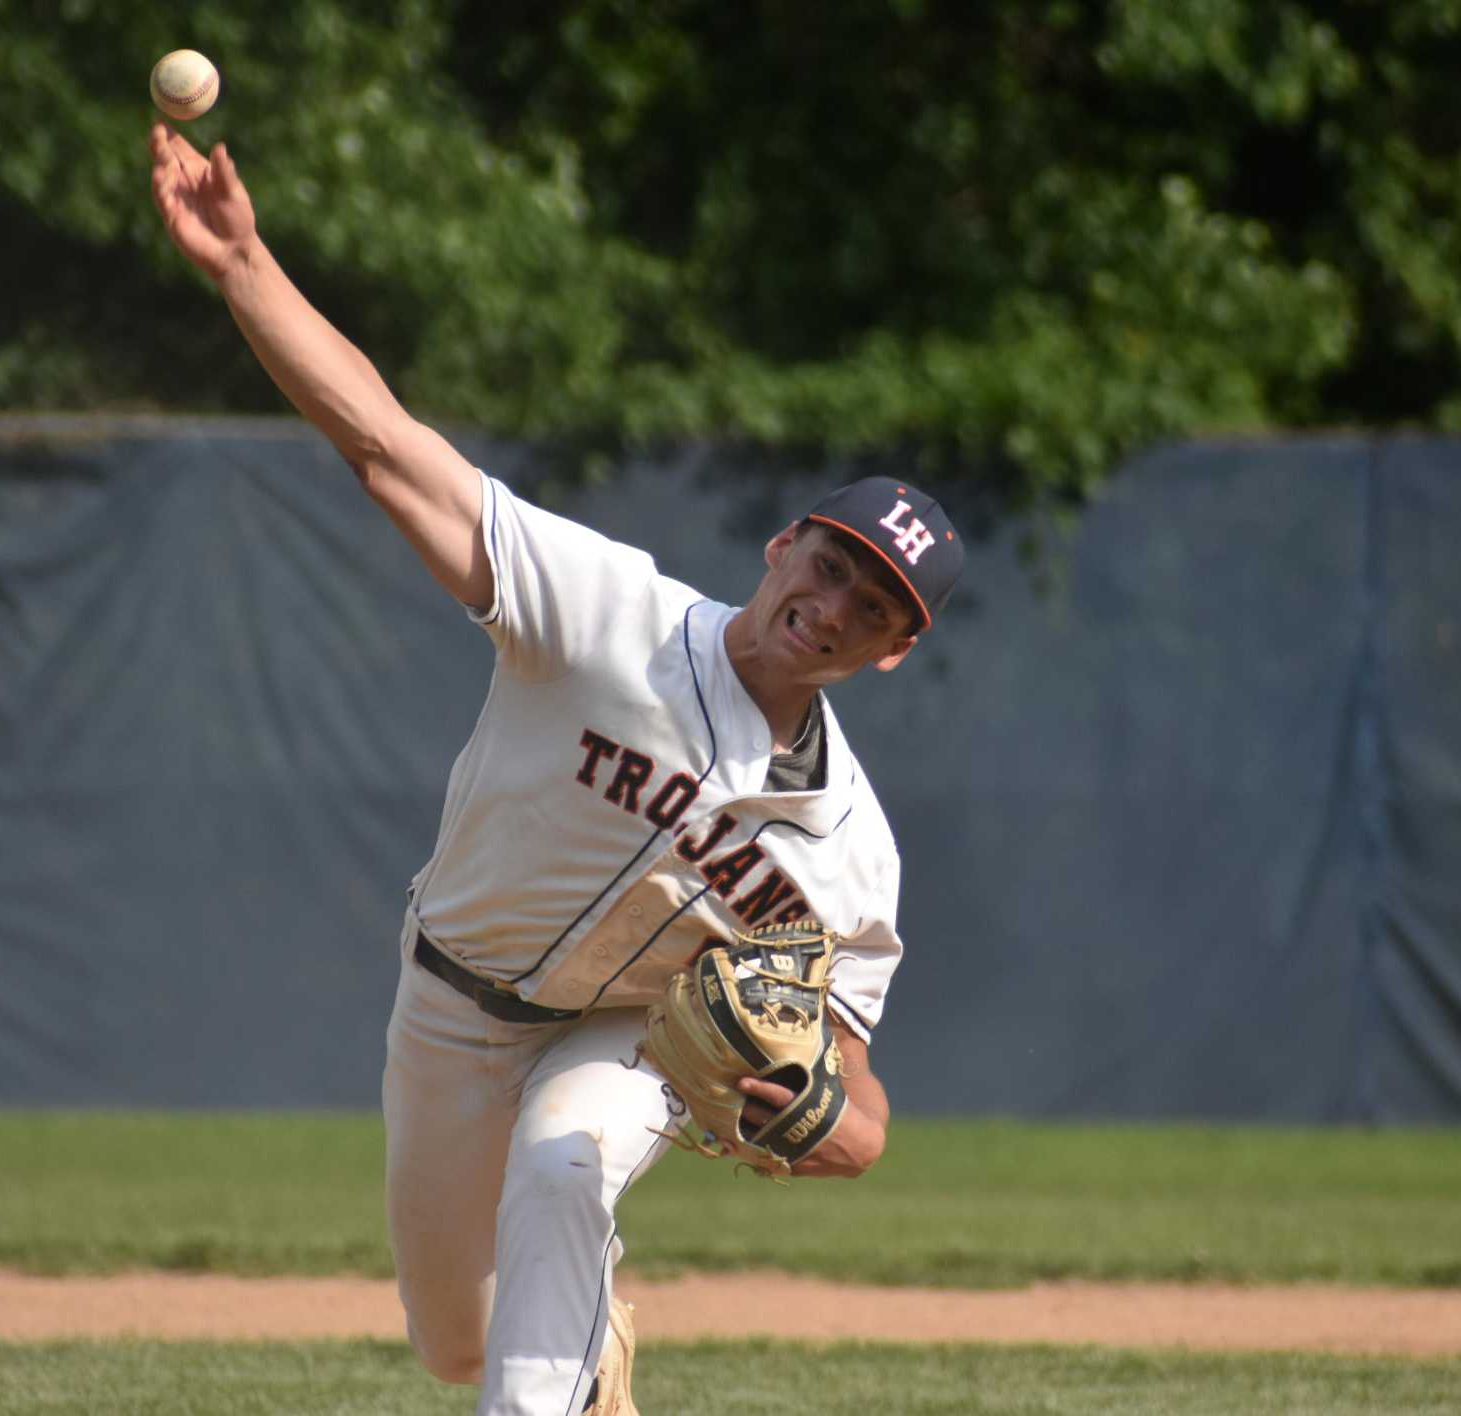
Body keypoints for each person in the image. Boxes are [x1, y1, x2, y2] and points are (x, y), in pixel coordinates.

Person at [148, 122, 963, 1414]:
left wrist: (828, 1131)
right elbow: (386, 446)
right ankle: (588, 1359)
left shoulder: (848, 850)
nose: (837, 603)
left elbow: (854, 1092)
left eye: (876, 606)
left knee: (566, 1163)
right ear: (782, 543)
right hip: (451, 995)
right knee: (453, 1342)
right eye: (835, 563)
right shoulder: (606, 617)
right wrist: (245, 265)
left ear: (893, 654)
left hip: (627, 1028)